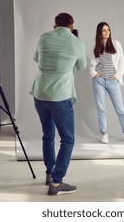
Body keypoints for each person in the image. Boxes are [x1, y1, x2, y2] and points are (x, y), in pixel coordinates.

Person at [30, 12, 87, 196]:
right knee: (68, 139)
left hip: (39, 94)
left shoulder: (44, 37)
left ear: (54, 25)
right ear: (71, 26)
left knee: (48, 134)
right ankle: (56, 183)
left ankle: (49, 173)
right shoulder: (76, 42)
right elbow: (81, 66)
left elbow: (36, 59)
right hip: (60, 97)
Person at [90, 22, 124, 144]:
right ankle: (104, 134)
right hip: (98, 81)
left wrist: (117, 75)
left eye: (108, 30)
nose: (107, 32)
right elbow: (93, 63)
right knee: (101, 108)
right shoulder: (96, 45)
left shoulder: (116, 44)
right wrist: (93, 73)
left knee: (119, 108)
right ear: (99, 32)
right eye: (104, 30)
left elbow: (122, 61)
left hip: (112, 80)